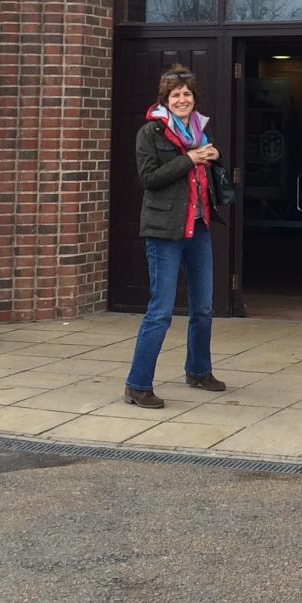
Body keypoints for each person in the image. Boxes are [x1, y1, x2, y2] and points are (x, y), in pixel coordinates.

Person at [124, 66, 228, 408]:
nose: (182, 99)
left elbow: (205, 174)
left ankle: (198, 370)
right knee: (161, 311)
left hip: (197, 227)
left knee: (203, 307)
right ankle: (137, 385)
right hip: (164, 231)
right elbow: (149, 178)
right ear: (165, 101)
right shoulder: (150, 133)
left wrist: (214, 157)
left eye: (187, 94)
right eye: (175, 95)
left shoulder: (199, 130)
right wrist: (189, 159)